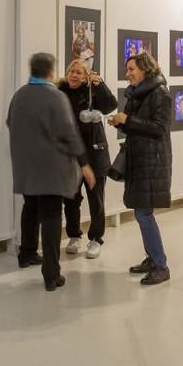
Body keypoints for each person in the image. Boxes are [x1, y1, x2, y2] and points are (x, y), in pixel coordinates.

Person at [7, 52, 95, 290]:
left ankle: (26, 254)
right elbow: (69, 132)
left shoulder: (19, 95)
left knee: (30, 209)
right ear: (50, 71)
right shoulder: (55, 97)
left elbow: (9, 123)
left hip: (26, 166)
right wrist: (84, 163)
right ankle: (52, 275)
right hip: (50, 169)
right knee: (52, 217)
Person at [107, 52, 172, 285]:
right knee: (141, 212)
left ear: (145, 69)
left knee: (143, 213)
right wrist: (121, 122)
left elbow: (158, 128)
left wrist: (127, 120)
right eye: (127, 70)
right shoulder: (137, 94)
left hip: (152, 160)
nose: (128, 74)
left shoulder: (160, 94)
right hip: (140, 158)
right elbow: (137, 126)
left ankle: (161, 265)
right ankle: (152, 259)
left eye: (131, 69)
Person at [58, 58, 118, 259]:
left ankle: (95, 239)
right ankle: (74, 236)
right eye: (71, 71)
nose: (74, 75)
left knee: (96, 199)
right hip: (70, 155)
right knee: (71, 199)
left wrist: (100, 84)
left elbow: (111, 106)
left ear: (86, 77)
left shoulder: (93, 91)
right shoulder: (61, 91)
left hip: (94, 153)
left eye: (79, 73)